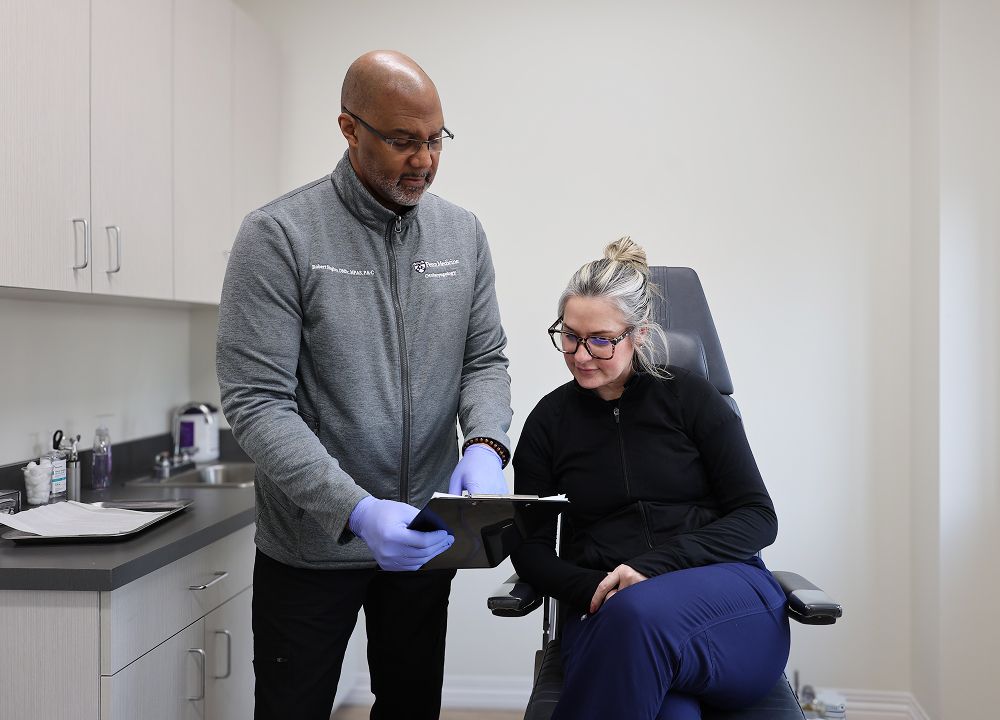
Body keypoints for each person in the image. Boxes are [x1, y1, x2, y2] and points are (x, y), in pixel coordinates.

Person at [216, 50, 512, 720]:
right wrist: (354, 510)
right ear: (350, 129)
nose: (424, 161)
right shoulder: (280, 235)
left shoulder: (462, 233)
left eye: (436, 139)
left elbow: (485, 359)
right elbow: (256, 402)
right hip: (311, 546)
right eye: (404, 141)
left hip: (424, 536)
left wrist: (485, 445)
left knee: (410, 708)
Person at [510, 237, 789, 719]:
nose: (581, 355)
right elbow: (530, 550)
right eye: (570, 336)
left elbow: (758, 517)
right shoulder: (548, 423)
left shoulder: (694, 400)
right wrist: (597, 587)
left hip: (724, 602)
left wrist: (650, 570)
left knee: (637, 612)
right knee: (669, 707)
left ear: (638, 334)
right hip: (608, 610)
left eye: (601, 339)